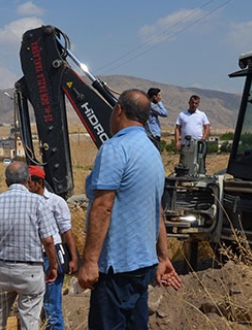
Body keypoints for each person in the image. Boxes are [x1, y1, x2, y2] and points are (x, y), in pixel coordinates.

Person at [77, 89, 182, 329]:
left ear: (119, 110)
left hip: (116, 267)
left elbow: (103, 206)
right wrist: (163, 257)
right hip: (142, 266)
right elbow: (157, 210)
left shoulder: (115, 148)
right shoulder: (152, 152)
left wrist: (90, 261)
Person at [0, 161, 58, 330]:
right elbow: (48, 240)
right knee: (29, 321)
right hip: (30, 270)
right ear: (28, 179)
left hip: (2, 268)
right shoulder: (39, 203)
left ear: (6, 181)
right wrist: (53, 265)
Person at [28, 165, 78, 330]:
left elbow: (66, 232)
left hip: (51, 258)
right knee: (34, 305)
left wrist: (74, 259)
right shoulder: (26, 202)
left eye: (29, 182)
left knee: (52, 305)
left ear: (39, 182)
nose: (26, 186)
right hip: (32, 258)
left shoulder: (56, 202)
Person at [174, 95, 210, 170]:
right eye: (192, 103)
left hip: (198, 144)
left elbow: (207, 128)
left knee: (199, 164)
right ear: (189, 102)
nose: (194, 105)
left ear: (198, 104)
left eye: (196, 103)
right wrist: (177, 141)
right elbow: (177, 128)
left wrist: (203, 140)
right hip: (185, 144)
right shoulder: (182, 114)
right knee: (184, 164)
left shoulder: (202, 115)